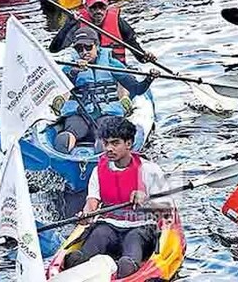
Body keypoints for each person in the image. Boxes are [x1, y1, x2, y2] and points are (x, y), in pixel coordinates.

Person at [62, 116, 168, 278]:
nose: (109, 148)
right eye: (106, 143)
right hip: (109, 226)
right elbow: (91, 203)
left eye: (115, 143)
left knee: (126, 265)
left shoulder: (149, 170)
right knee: (76, 259)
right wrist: (85, 217)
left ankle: (127, 269)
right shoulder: (98, 171)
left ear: (128, 144)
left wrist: (147, 200)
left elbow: (166, 211)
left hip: (140, 228)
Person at [54, 27, 157, 153]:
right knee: (63, 139)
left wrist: (149, 79)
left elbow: (137, 89)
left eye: (88, 47)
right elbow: (60, 85)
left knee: (104, 140)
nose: (84, 52)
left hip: (106, 114)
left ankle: (102, 164)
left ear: (97, 46)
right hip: (79, 115)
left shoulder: (112, 64)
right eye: (79, 49)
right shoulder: (70, 67)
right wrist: (75, 71)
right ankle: (65, 165)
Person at [49, 0, 154, 64]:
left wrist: (145, 57)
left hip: (116, 70)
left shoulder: (119, 23)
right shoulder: (77, 24)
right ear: (86, 7)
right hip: (88, 70)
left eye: (102, 7)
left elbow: (138, 54)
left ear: (107, 5)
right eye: (93, 7)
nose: (98, 11)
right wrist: (68, 24)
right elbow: (54, 49)